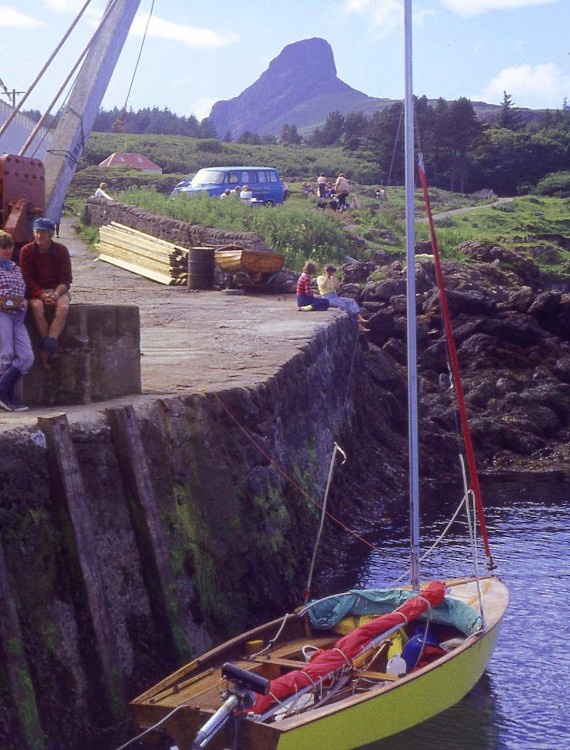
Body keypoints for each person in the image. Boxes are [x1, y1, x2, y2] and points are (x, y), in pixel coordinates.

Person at [19, 217, 72, 368]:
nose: (39, 236)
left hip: (57, 289)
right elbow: (26, 279)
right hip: (36, 290)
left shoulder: (61, 251)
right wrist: (40, 294)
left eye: (43, 233)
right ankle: (51, 349)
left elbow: (66, 280)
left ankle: (47, 348)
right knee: (37, 307)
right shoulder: (27, 251)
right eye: (37, 232)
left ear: (51, 235)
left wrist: (55, 294)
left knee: (63, 308)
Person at [0, 230, 34, 411]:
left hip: (18, 316)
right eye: (3, 248)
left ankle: (2, 390)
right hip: (2, 314)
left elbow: (22, 290)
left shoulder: (15, 268)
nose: (7, 251)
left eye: (9, 247)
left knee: (27, 356)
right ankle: (6, 395)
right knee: (5, 354)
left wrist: (23, 300)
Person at [317, 264, 369, 332]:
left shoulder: (332, 278)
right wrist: (326, 276)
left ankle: (359, 317)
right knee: (344, 306)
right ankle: (357, 325)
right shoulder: (320, 278)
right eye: (330, 271)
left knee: (351, 301)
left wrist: (333, 278)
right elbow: (323, 286)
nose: (331, 273)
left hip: (335, 296)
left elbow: (338, 287)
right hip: (327, 298)